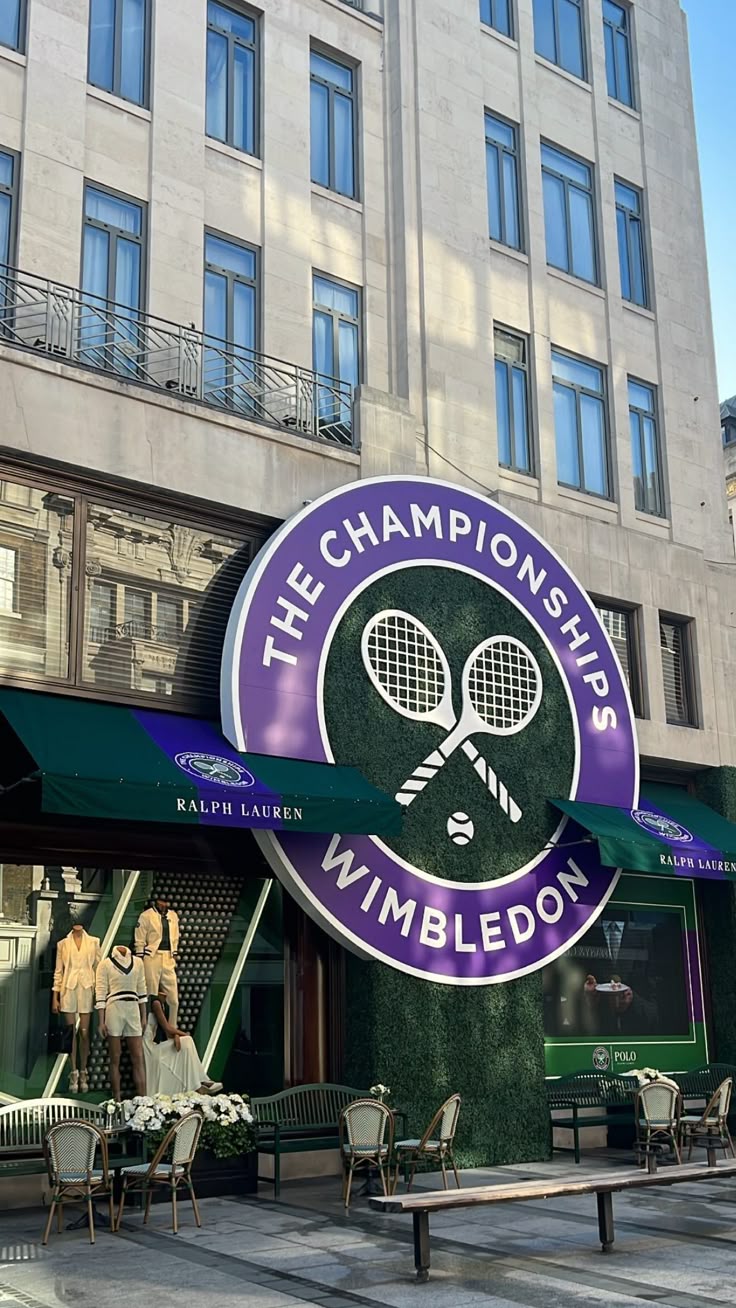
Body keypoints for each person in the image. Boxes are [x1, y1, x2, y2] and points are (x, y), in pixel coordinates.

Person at [143, 987, 223, 1096]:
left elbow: (166, 1031)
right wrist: (184, 1034)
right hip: (149, 1048)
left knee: (186, 1044)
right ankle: (200, 1083)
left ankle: (199, 1082)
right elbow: (167, 1028)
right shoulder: (155, 1003)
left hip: (155, 1045)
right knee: (188, 1040)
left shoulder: (163, 1005)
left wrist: (176, 1035)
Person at [51, 923, 102, 1093]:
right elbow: (58, 971)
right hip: (68, 989)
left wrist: (100, 994)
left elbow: (98, 969)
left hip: (87, 988)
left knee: (84, 1032)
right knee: (70, 1032)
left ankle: (84, 1071)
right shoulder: (63, 944)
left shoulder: (94, 942)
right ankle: (73, 1071)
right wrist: (55, 998)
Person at [95, 944, 147, 1100]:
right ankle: (116, 1099)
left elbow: (142, 988)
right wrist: (101, 1021)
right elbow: (101, 992)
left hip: (133, 1007)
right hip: (114, 1007)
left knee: (138, 1056)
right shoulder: (105, 964)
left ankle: (143, 1099)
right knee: (115, 1057)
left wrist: (144, 1016)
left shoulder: (138, 962)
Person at [135, 896, 180, 1027]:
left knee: (173, 1000)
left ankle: (172, 1029)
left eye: (165, 902)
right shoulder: (146, 915)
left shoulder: (173, 916)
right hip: (152, 956)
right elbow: (140, 938)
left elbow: (175, 936)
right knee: (151, 995)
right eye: (161, 902)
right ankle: (149, 1029)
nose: (163, 904)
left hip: (168, 956)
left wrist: (174, 952)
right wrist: (140, 957)